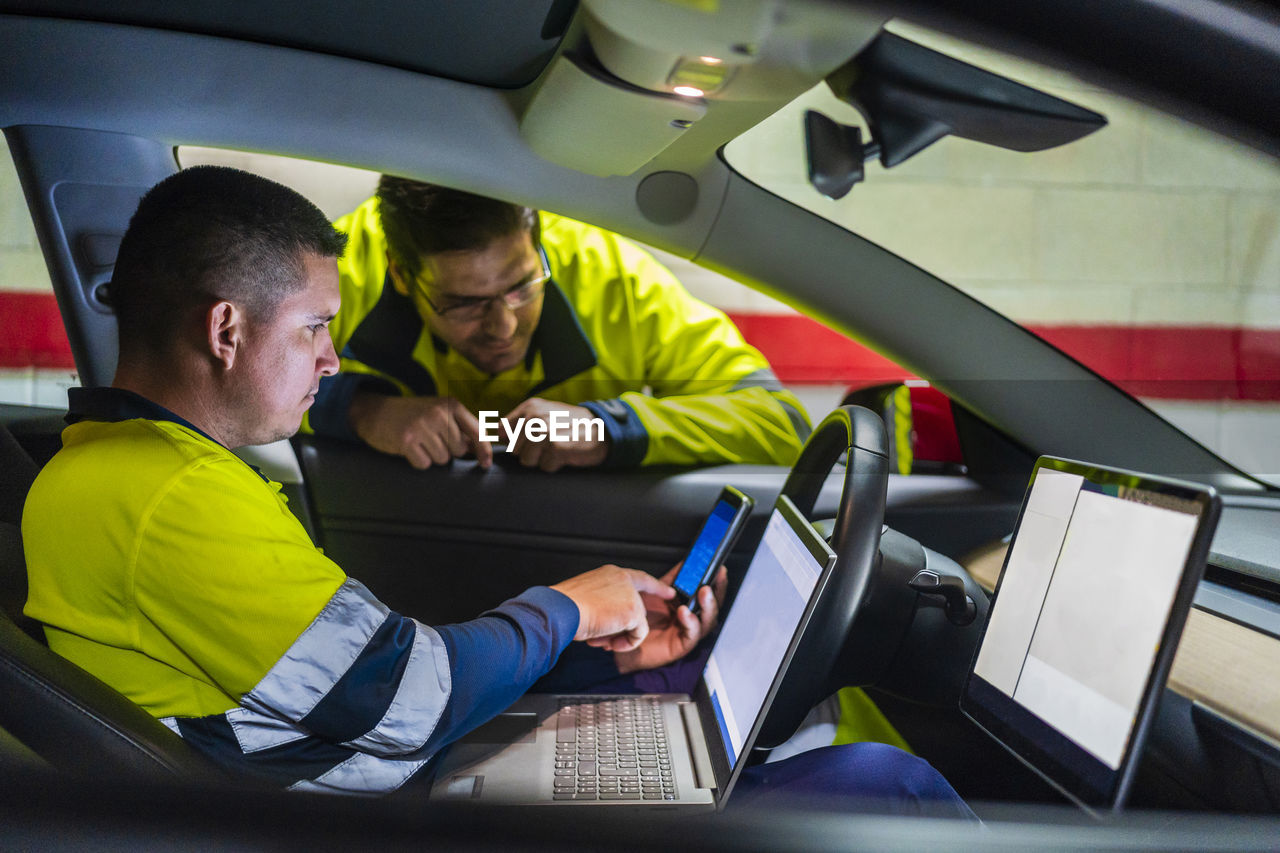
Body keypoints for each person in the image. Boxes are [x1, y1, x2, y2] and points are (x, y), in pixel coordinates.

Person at [22, 166, 970, 815]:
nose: (333, 355)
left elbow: (359, 685)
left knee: (761, 719)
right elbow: (407, 697)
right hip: (398, 798)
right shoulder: (164, 494)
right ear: (226, 329)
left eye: (520, 289)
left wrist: (599, 656)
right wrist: (565, 606)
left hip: (395, 770)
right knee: (885, 781)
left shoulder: (137, 471)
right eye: (315, 329)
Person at [303, 177, 811, 471]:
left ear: (539, 238)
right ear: (400, 273)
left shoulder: (614, 277)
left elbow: (779, 421)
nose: (503, 327)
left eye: (522, 286)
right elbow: (231, 389)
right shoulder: (336, 273)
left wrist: (608, 428)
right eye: (464, 303)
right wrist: (361, 410)